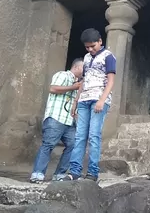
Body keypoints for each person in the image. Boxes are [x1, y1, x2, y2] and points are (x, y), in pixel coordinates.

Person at [69, 28, 116, 182]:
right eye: (87, 47)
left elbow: (111, 80)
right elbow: (84, 80)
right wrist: (76, 102)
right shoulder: (87, 58)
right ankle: (74, 171)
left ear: (100, 41)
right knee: (80, 136)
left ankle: (92, 173)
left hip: (98, 100)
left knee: (94, 136)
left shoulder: (109, 57)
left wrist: (102, 100)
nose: (90, 49)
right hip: (84, 100)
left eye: (93, 46)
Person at [29, 59, 83, 183]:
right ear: (77, 67)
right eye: (84, 68)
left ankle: (59, 174)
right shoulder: (62, 75)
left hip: (69, 121)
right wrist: (73, 87)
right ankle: (37, 174)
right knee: (48, 145)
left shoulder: (78, 83)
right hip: (56, 117)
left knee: (74, 145)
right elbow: (53, 89)